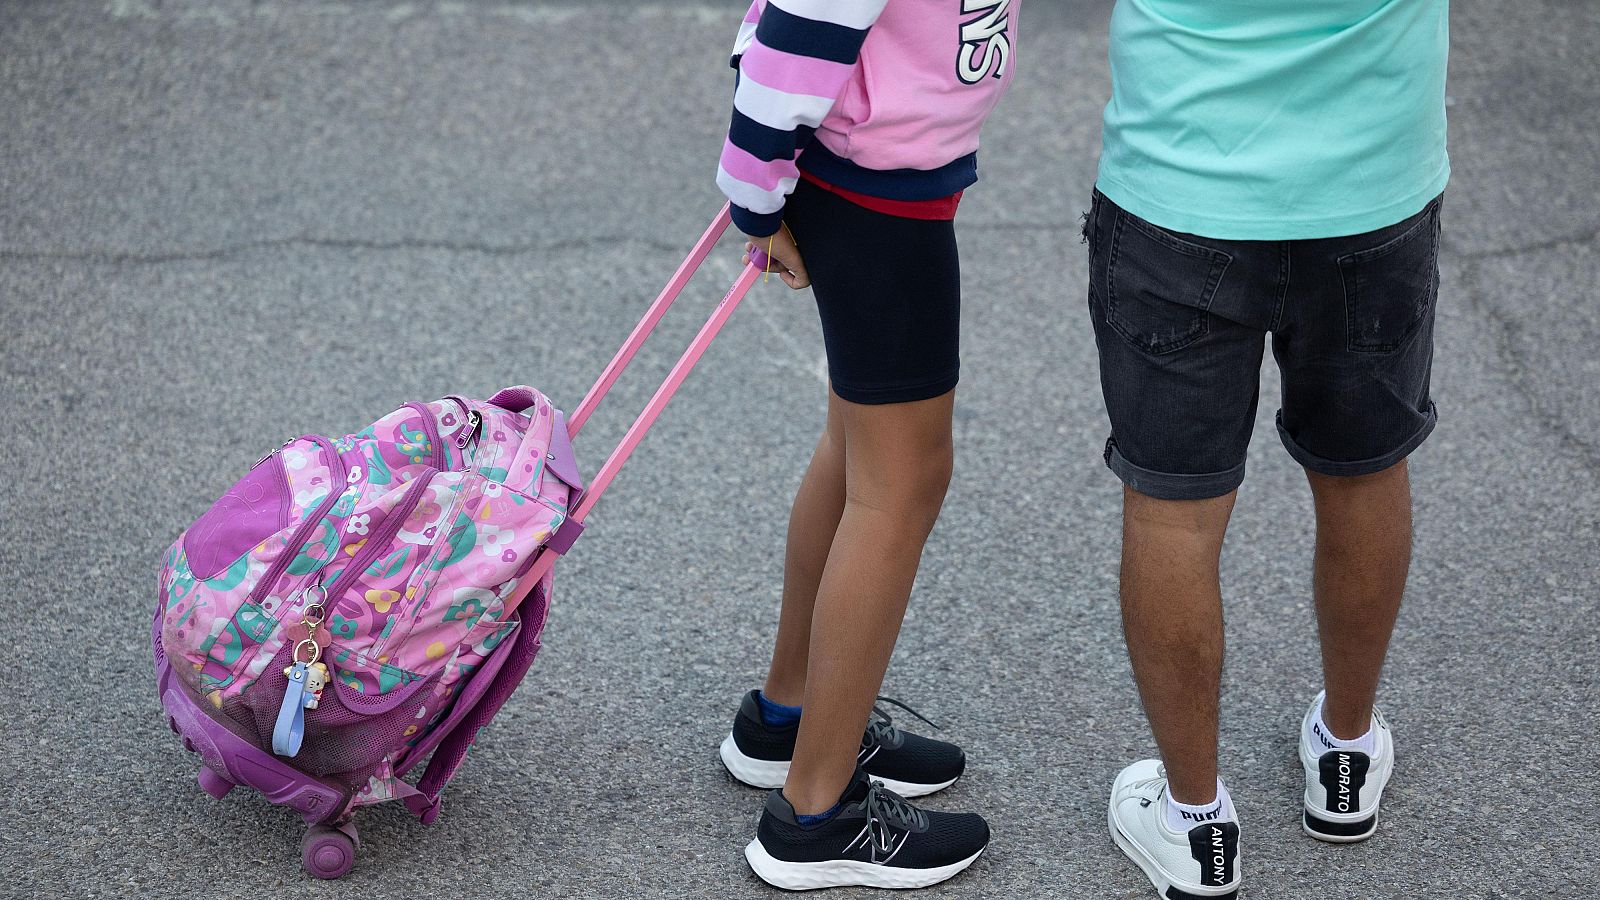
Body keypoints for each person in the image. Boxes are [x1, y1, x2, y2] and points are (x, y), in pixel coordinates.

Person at [1082, 1, 1449, 897]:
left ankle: (1196, 822)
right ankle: (1348, 754)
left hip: (1179, 183)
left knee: (1174, 511)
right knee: (1363, 473)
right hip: (1374, 184)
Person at [711, 0, 1020, 890]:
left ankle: (790, 717)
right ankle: (815, 811)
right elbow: (794, 33)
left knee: (862, 452)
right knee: (902, 483)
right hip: (869, 188)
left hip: (888, 175)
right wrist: (755, 202)